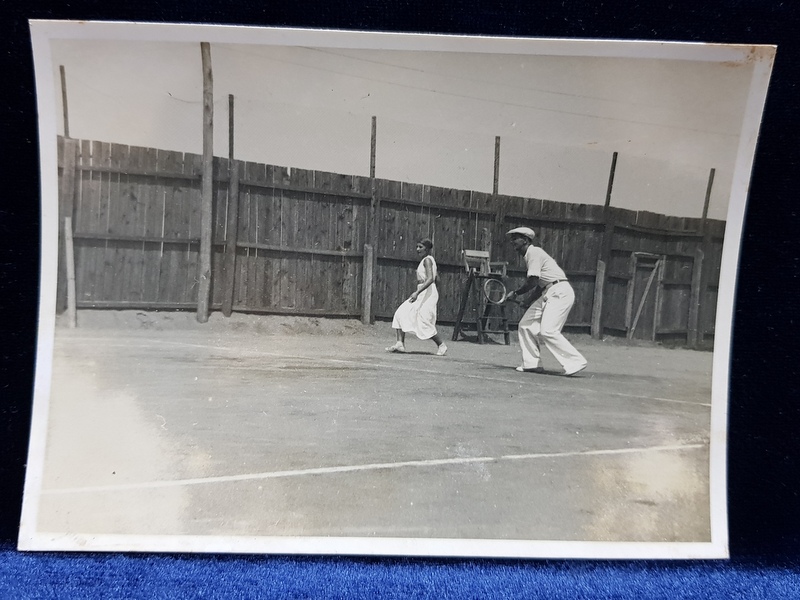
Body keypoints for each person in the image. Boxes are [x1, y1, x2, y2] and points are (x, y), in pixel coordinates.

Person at [503, 227, 587, 376]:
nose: (512, 241)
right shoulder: (530, 255)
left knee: (548, 331)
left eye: (516, 238)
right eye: (512, 238)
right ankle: (531, 364)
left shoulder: (534, 253)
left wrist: (516, 293)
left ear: (526, 240)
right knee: (526, 325)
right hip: (549, 291)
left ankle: (575, 361)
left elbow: (533, 281)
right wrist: (528, 301)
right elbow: (540, 284)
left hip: (560, 292)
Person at [386, 238, 448, 356]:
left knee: (424, 321)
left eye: (420, 247)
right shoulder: (429, 261)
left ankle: (441, 345)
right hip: (427, 291)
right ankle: (400, 343)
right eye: (417, 247)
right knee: (401, 312)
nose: (417, 249)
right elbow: (437, 279)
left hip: (426, 293)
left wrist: (418, 292)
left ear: (427, 249)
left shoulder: (427, 260)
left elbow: (430, 279)